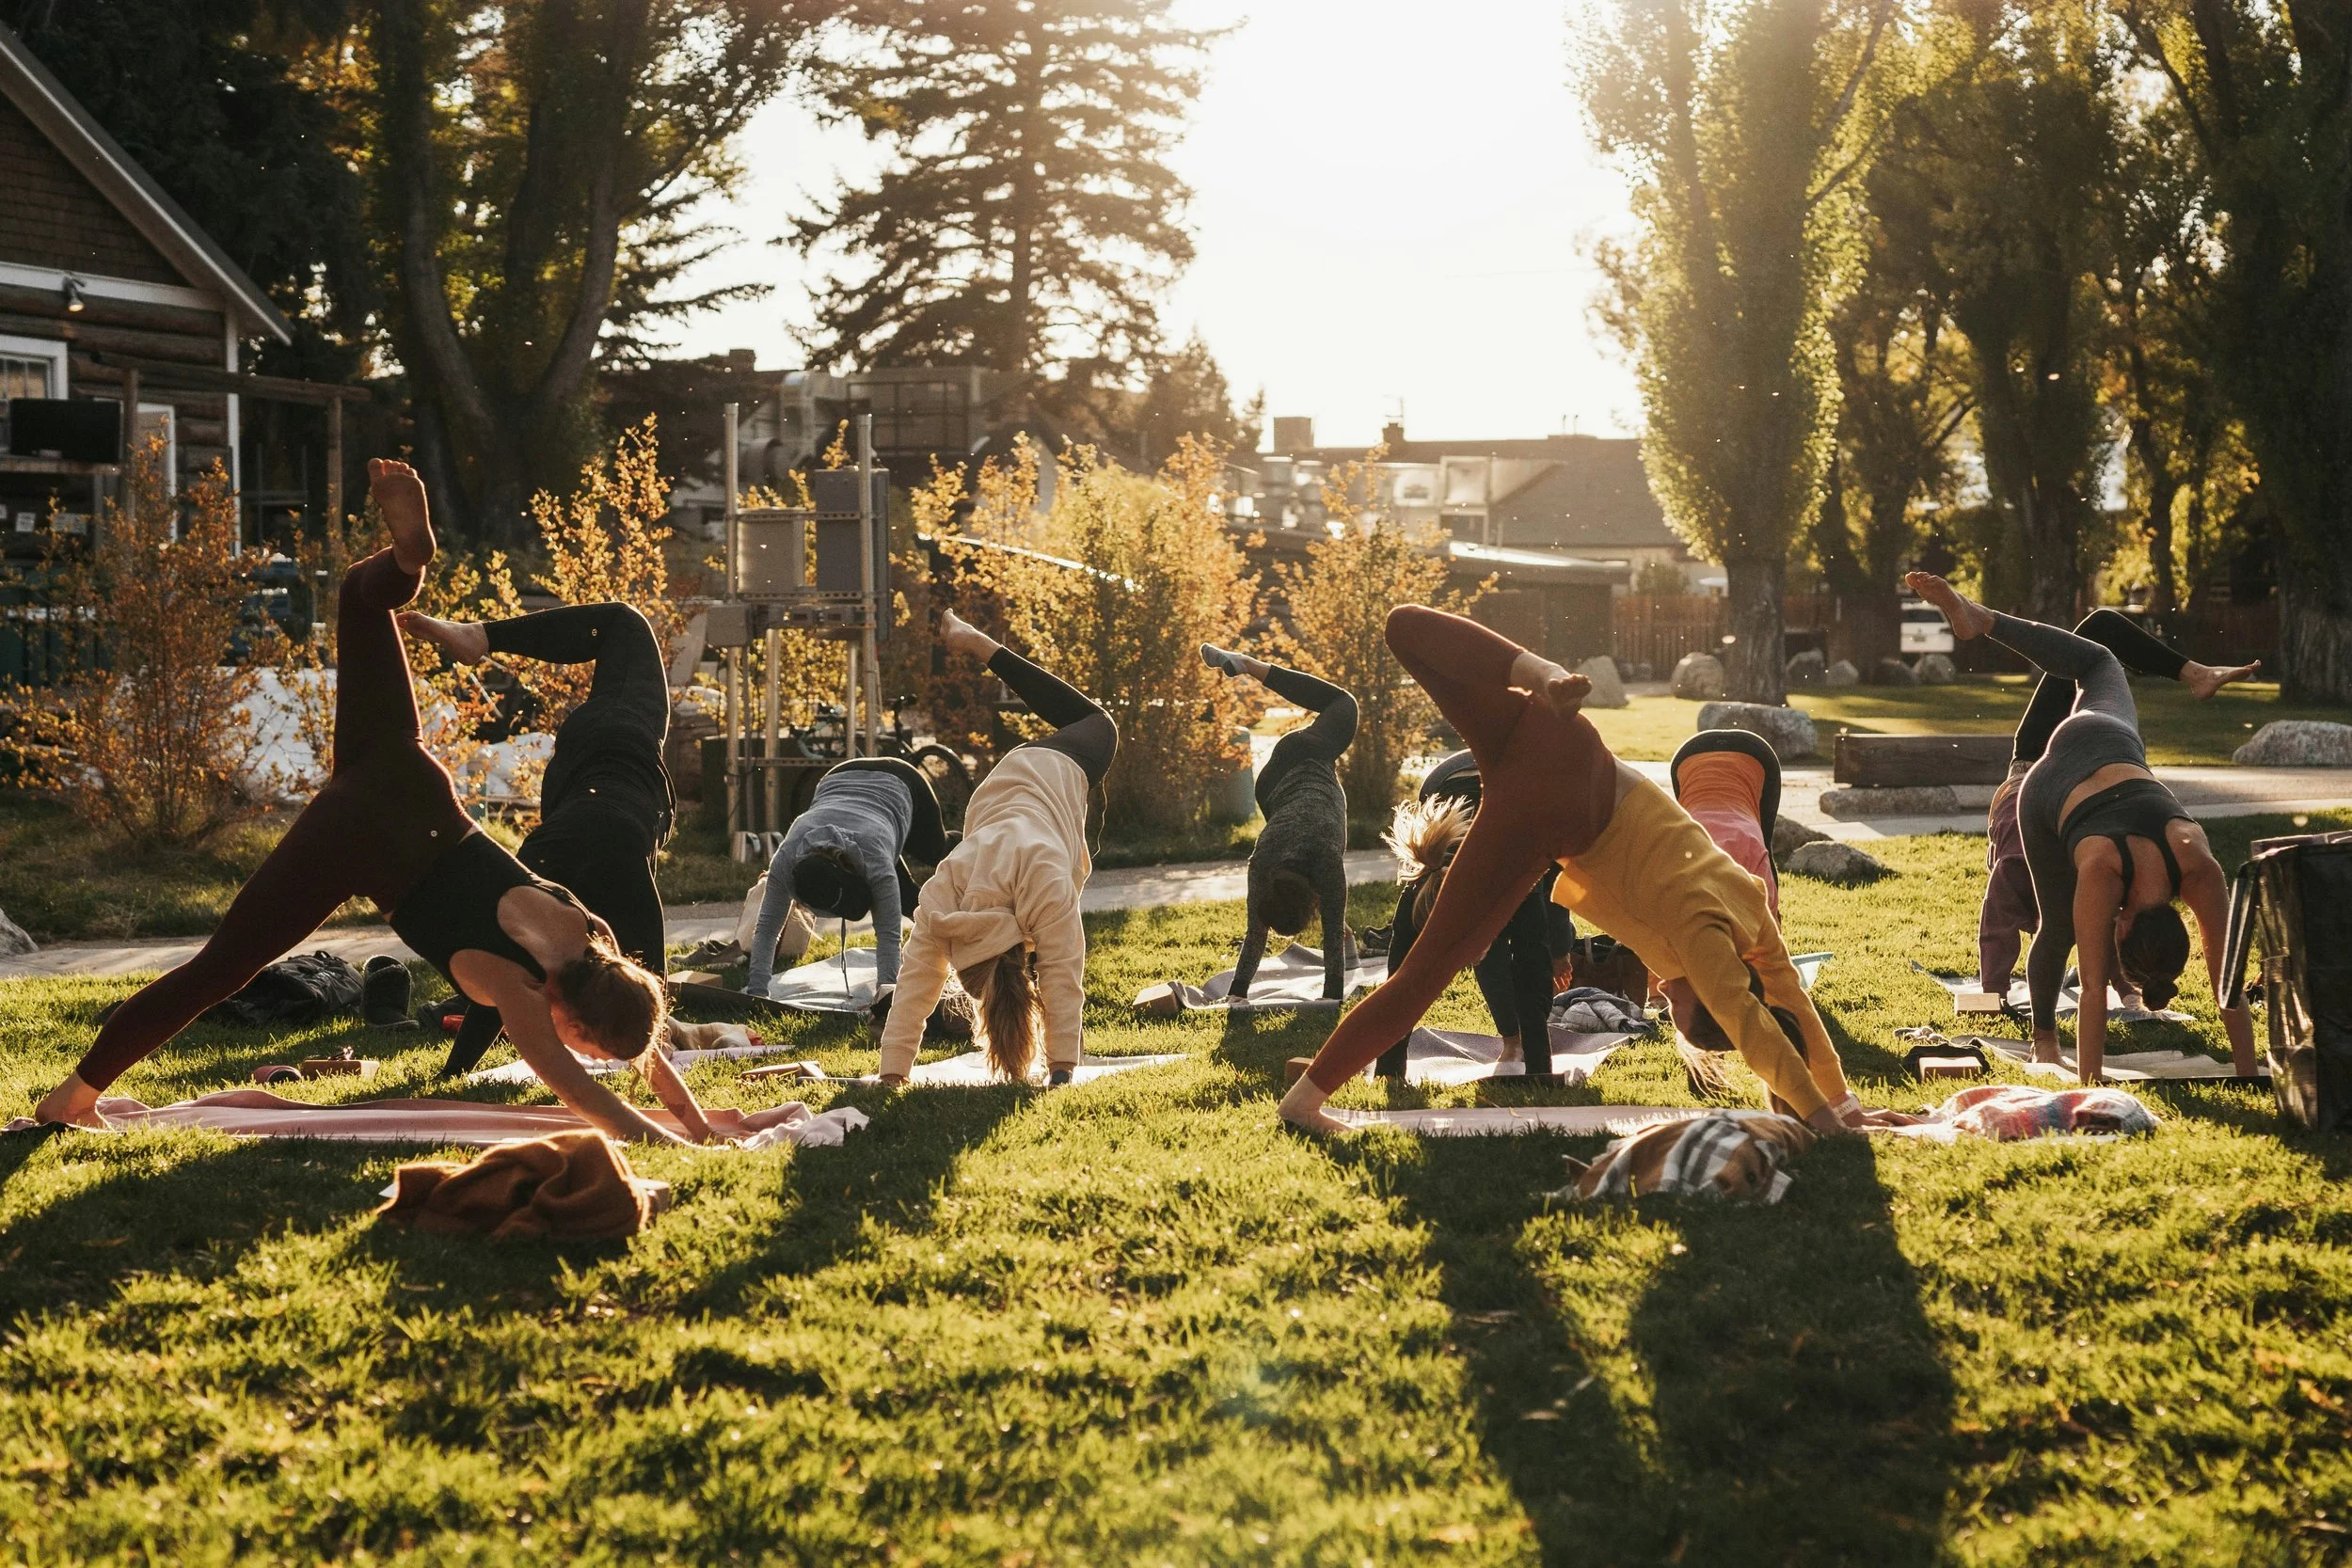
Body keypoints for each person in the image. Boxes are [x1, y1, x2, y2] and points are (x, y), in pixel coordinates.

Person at [31, 461, 717, 1146]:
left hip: (407, 770)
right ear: (576, 1020)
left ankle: (406, 562)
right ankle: (71, 1098)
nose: (587, 1057)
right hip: (357, 836)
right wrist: (669, 1140)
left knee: (364, 597)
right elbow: (579, 1090)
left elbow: (638, 1033)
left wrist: (696, 1117)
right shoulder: (521, 990)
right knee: (219, 969)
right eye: (590, 1046)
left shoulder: (591, 936)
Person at [1277, 605, 1882, 1136]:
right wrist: (1825, 1118)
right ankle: (1304, 1103)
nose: (1663, 997)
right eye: (1678, 1006)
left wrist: (1843, 1100)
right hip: (1555, 811)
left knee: (1404, 627)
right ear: (1708, 992)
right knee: (1422, 975)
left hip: (1559, 741)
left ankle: (1542, 675)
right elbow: (1753, 1022)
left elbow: (1790, 1005)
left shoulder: (1747, 903)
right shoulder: (1700, 937)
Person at [1904, 572, 2259, 1081]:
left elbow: (2228, 980)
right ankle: (2044, 1040)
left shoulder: (2195, 856)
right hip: (2044, 780)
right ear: (2126, 927)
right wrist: (2092, 1086)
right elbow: (2097, 988)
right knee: (2061, 928)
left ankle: (1986, 620)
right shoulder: (2103, 866)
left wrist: (2247, 1072)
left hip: (2100, 741)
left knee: (2099, 649)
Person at [399, 599, 677, 1075]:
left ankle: (483, 635)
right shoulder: (598, 902)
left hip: (598, 767)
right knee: (622, 623)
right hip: (585, 771)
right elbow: (505, 977)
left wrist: (456, 1072)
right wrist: (656, 1054)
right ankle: (480, 636)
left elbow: (649, 987)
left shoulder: (600, 908)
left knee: (622, 623)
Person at [875, 610, 1116, 1085]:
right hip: (996, 792)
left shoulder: (1033, 880)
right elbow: (1060, 971)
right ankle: (976, 640)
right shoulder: (945, 894)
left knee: (1099, 724)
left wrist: (893, 1074)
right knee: (1092, 721)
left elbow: (916, 990)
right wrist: (890, 1075)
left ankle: (978, 642)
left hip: (1052, 773)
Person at [1976, 609, 2259, 999]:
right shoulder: (2114, 876)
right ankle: (2197, 675)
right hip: (2088, 756)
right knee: (2098, 635)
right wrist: (2126, 992)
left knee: (2098, 639)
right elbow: (2115, 928)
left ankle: (1983, 620)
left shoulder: (2078, 868)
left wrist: (1995, 993)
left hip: (2047, 767)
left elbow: (2002, 914)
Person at [1366, 750, 1576, 1080]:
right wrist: (1388, 1072)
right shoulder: (1423, 885)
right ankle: (1394, 1067)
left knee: (1531, 958)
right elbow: (1399, 981)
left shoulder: (1519, 877)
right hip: (1444, 789)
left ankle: (1524, 1051)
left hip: (1521, 787)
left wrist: (1561, 951)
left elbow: (1557, 888)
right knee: (1410, 969)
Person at [1199, 644, 1357, 1001]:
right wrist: (1332, 996)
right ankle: (1250, 665)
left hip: (1298, 765)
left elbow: (1260, 932)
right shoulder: (1269, 861)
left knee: (1344, 703)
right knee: (1335, 904)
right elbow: (1328, 929)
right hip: (1270, 789)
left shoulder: (1320, 857)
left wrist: (1240, 993)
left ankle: (1248, 665)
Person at [741, 756, 952, 999]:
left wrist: (886, 995)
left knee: (936, 852)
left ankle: (971, 842)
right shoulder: (786, 863)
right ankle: (949, 932)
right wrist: (757, 992)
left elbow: (888, 934)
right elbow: (767, 929)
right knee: (907, 901)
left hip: (900, 780)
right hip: (837, 781)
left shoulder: (876, 864)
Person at [1661, 728, 1789, 1094]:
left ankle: (1709, 1068)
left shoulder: (1749, 880)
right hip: (1705, 757)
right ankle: (1708, 1068)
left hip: (1745, 756)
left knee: (1760, 847)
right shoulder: (1675, 902)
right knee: (1760, 847)